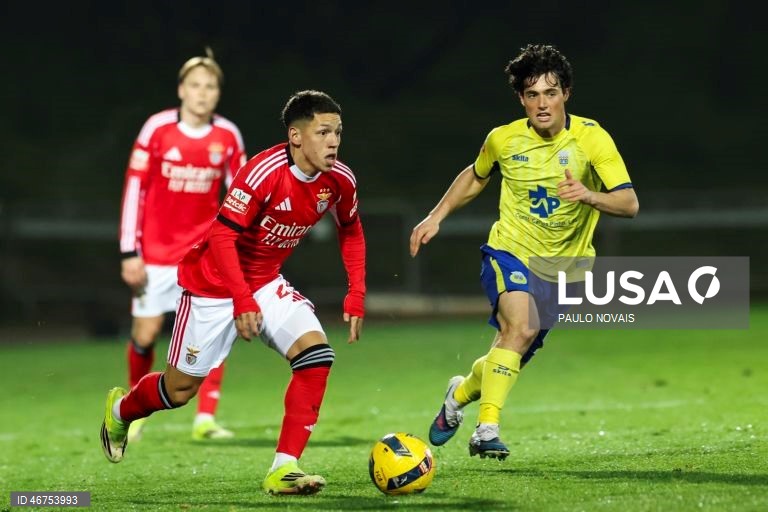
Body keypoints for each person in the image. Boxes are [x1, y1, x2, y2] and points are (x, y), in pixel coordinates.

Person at [102, 90, 366, 496]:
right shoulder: (263, 172)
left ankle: (284, 469)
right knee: (179, 390)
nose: (334, 141)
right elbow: (223, 235)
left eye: (338, 132)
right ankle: (121, 411)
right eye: (324, 131)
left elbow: (350, 228)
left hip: (266, 282)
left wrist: (356, 292)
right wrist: (240, 300)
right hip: (213, 285)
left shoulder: (339, 180)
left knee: (316, 357)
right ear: (296, 136)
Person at [410, 44, 639, 460]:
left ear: (566, 93)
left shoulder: (591, 138)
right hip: (509, 251)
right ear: (521, 99)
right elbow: (476, 175)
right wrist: (436, 215)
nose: (542, 103)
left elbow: (629, 203)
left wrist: (588, 195)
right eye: (532, 94)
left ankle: (457, 394)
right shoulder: (503, 139)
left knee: (512, 349)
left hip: (565, 268)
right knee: (520, 328)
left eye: (550, 92)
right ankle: (486, 430)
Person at [118, 48, 247, 442]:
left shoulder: (227, 135)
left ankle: (205, 418)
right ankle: (137, 411)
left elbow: (242, 192)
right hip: (154, 255)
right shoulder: (156, 129)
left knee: (210, 333)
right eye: (195, 85)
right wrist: (129, 251)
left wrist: (239, 248)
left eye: (210, 87)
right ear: (181, 90)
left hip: (202, 255)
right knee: (146, 333)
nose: (202, 93)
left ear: (217, 94)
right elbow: (135, 188)